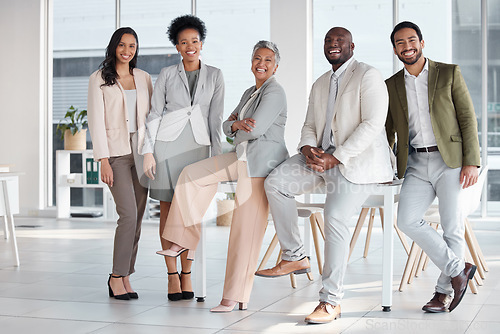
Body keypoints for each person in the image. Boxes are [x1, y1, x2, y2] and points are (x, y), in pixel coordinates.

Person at [255, 27, 394, 324]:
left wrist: (336, 156)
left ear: (352, 46)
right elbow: (309, 124)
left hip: (354, 164)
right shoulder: (320, 83)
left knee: (334, 217)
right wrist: (307, 148)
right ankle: (295, 256)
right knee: (276, 184)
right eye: (328, 41)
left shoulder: (368, 75)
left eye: (339, 41)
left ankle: (330, 301)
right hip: (319, 159)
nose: (333, 45)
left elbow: (372, 124)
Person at [157, 40, 288, 312]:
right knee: (192, 174)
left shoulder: (275, 92)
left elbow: (253, 130)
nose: (261, 64)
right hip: (240, 156)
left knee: (244, 231)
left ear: (275, 67)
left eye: (267, 60)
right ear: (251, 61)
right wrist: (235, 126)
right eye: (257, 58)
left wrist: (236, 127)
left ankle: (233, 296)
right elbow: (227, 124)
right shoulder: (250, 91)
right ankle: (183, 241)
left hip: (261, 164)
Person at [385, 21, 480, 313]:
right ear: (395, 49)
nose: (407, 46)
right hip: (415, 162)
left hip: (449, 160)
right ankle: (458, 269)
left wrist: (471, 160)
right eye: (400, 43)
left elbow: (467, 117)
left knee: (452, 227)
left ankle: (442, 293)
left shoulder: (448, 73)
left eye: (411, 40)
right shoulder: (391, 85)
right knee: (407, 220)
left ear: (422, 42)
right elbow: (388, 131)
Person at [141, 15, 224, 301]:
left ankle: (187, 274)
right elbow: (154, 114)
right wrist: (148, 151)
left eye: (195, 41)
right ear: (177, 46)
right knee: (167, 212)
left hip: (199, 147)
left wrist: (218, 156)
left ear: (202, 43)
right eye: (183, 42)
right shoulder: (166, 74)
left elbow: (216, 118)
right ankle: (171, 276)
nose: (190, 46)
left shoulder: (215, 75)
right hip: (167, 145)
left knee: (192, 212)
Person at [87, 27, 153, 300]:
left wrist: (151, 151)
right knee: (127, 215)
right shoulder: (99, 79)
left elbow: (151, 117)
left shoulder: (144, 77)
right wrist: (102, 159)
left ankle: (126, 275)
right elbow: (95, 121)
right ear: (114, 46)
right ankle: (115, 277)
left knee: (137, 218)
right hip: (115, 154)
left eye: (133, 46)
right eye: (123, 45)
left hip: (141, 152)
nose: (127, 51)